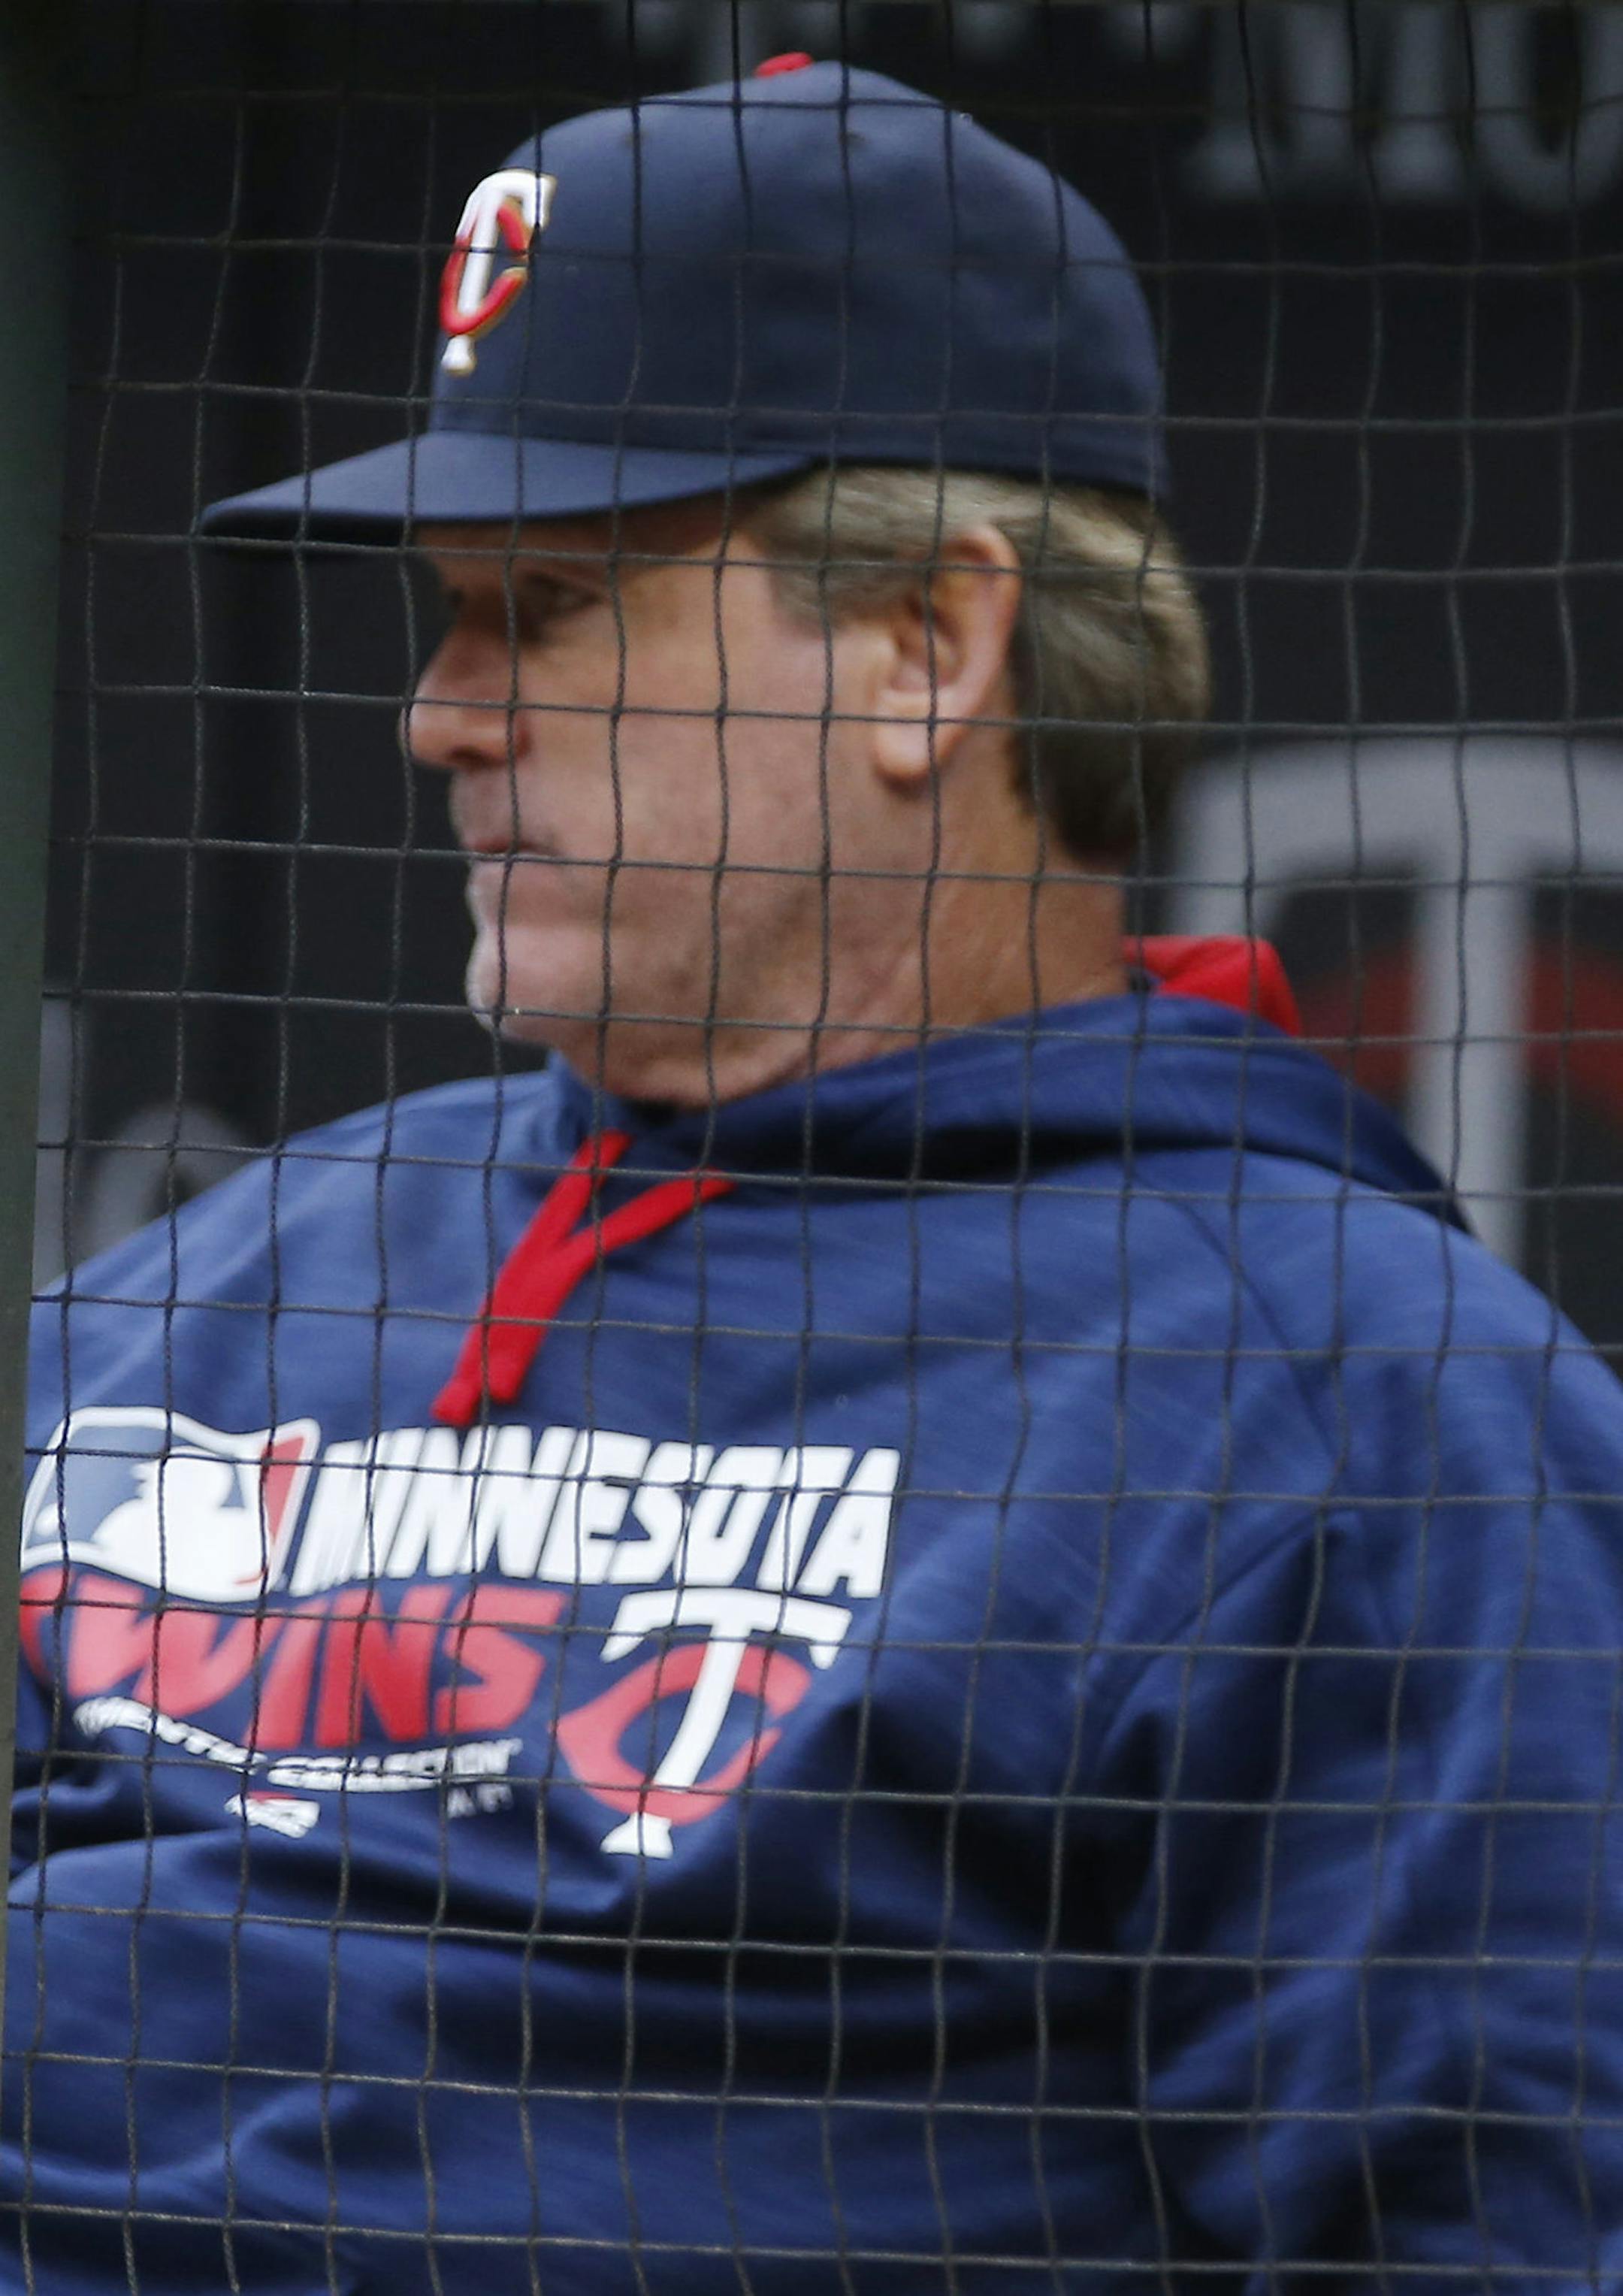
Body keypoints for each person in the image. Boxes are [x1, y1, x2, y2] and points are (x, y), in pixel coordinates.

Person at [8, 56, 1623, 2296]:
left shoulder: (1358, 1411)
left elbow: (1477, 2230)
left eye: (552, 608)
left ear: (927, 651)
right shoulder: (216, 1288)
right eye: (442, 615)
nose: (441, 715)